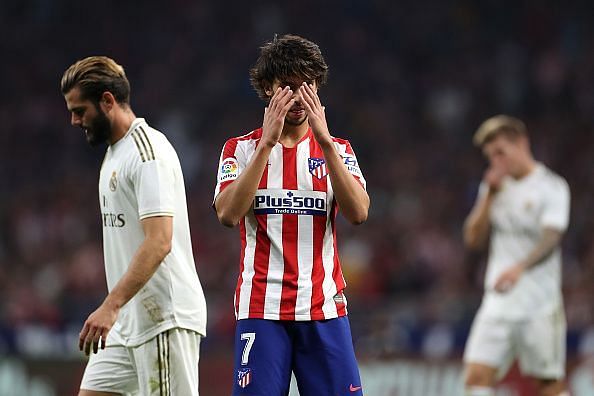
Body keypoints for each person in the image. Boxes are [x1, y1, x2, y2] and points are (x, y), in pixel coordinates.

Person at [213, 34, 369, 395]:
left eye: (307, 85)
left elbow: (359, 213)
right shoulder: (240, 149)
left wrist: (326, 142)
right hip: (261, 309)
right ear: (267, 88)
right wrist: (267, 144)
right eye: (287, 86)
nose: (298, 96)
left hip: (323, 308)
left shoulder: (339, 150)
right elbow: (228, 214)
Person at [61, 56, 207, 396]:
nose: (73, 120)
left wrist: (110, 305)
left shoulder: (147, 152)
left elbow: (159, 242)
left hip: (163, 319)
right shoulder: (115, 153)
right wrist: (117, 309)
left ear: (107, 101)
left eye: (80, 110)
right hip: (127, 322)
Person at [462, 115, 570, 396]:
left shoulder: (552, 187)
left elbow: (552, 237)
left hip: (539, 304)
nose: (496, 161)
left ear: (521, 143)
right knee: (476, 374)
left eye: (500, 152)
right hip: (498, 302)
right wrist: (489, 196)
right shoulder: (495, 186)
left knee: (547, 384)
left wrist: (519, 268)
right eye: (490, 156)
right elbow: (473, 239)